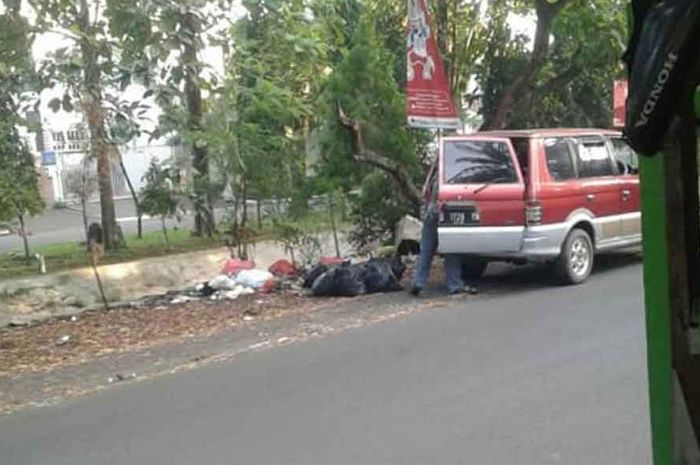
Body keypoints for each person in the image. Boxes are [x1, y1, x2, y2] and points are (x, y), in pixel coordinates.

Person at [409, 166, 475, 296]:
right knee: (451, 250)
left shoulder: (433, 177)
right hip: (445, 215)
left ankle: (418, 282)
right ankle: (454, 284)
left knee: (426, 251)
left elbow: (426, 197)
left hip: (430, 215)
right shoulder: (451, 175)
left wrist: (424, 214)